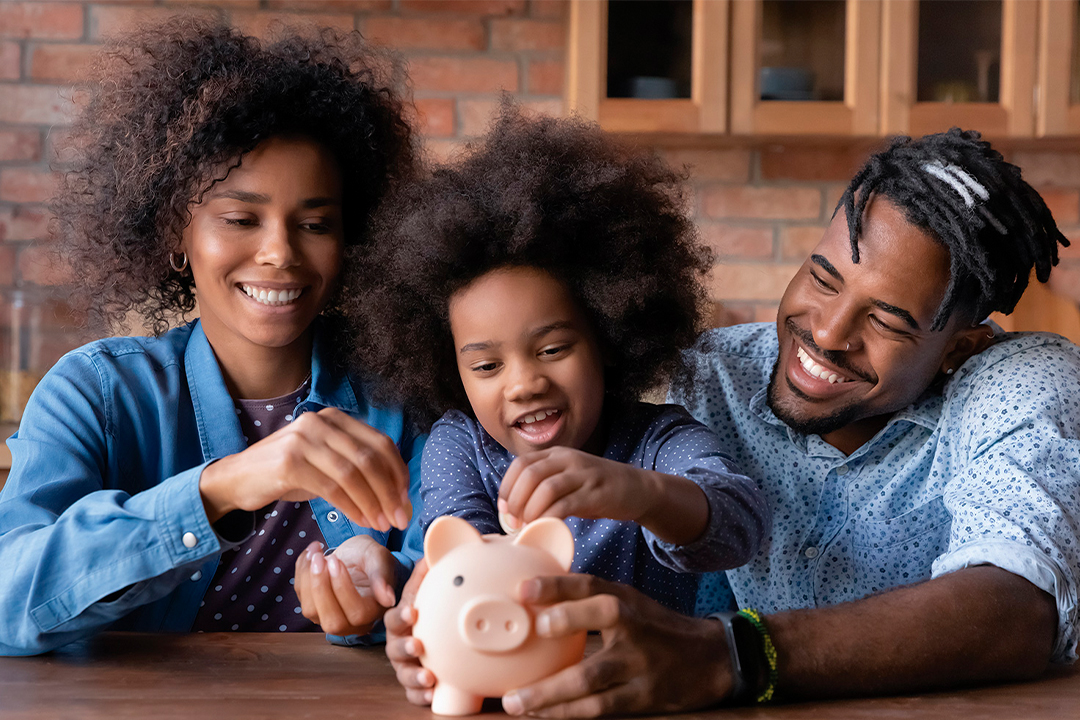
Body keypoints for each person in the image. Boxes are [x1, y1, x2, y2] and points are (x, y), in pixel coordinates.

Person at [386, 128, 1080, 714]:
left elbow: (1016, 609)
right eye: (824, 278)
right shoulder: (712, 370)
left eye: (887, 320)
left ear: (962, 342)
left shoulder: (1023, 382)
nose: (827, 334)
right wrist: (421, 599)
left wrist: (735, 653)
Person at [0, 19, 423, 655]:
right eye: (240, 218)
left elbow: (461, 576)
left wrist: (394, 590)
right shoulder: (97, 393)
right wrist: (225, 485)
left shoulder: (407, 398)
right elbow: (9, 600)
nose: (280, 252)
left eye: (315, 223)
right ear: (177, 232)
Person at [297, 107, 770, 636]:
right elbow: (459, 555)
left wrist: (638, 492)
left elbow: (740, 525)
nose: (523, 384)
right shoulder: (460, 446)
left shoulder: (659, 442)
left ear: (609, 339)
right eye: (487, 365)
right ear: (451, 370)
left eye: (552, 349)